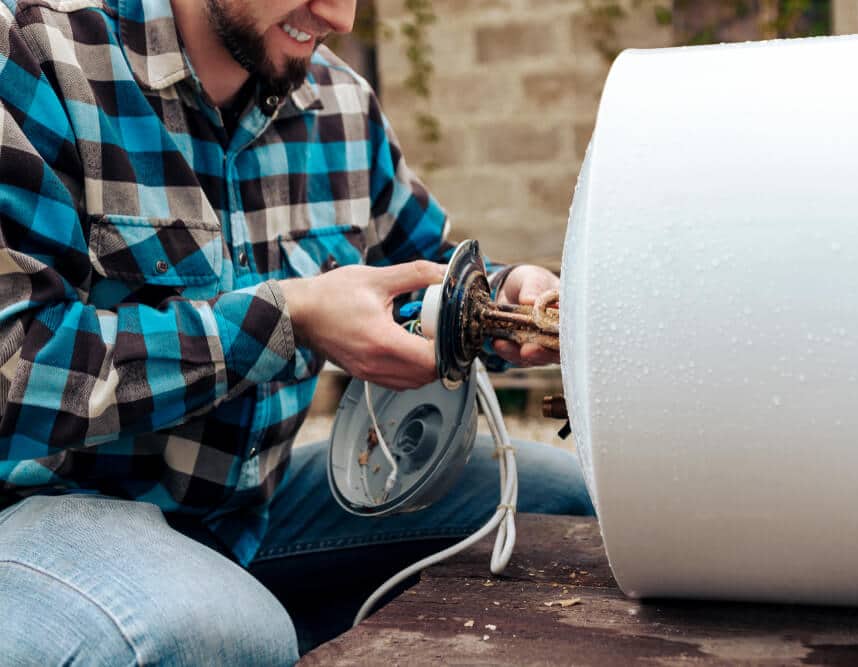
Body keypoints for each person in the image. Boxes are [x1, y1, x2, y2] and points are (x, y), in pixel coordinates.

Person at [0, 0, 593, 661]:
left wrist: (505, 300)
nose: (340, 17)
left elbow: (423, 273)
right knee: (229, 630)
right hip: (40, 514)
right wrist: (288, 317)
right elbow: (15, 371)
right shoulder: (32, 50)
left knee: (559, 501)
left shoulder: (341, 104)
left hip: (251, 514)